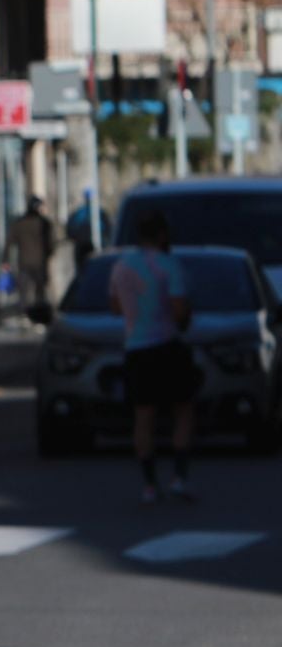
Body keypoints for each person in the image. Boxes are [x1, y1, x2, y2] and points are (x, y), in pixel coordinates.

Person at [109, 210, 196, 503]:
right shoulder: (168, 265)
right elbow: (180, 310)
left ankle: (148, 484)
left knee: (142, 417)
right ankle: (179, 478)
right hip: (167, 344)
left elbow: (115, 307)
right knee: (182, 411)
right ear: (161, 235)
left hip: (136, 348)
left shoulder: (121, 267)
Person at [9, 196, 55, 318]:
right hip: (40, 262)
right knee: (40, 291)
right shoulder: (44, 223)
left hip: (24, 261)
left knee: (24, 292)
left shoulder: (19, 223)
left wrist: (5, 260)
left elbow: (10, 242)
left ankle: (23, 316)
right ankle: (40, 316)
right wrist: (49, 254)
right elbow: (50, 244)